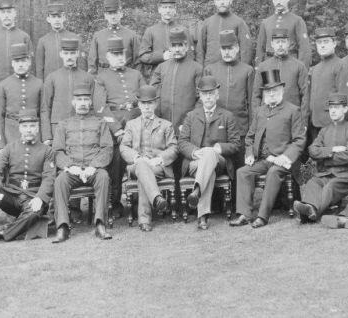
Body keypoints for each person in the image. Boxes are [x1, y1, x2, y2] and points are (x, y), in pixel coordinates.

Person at [0, 110, 56, 250]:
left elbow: (49, 177)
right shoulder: (10, 148)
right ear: (20, 128)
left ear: (38, 128)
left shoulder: (47, 150)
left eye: (32, 126)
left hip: (32, 198)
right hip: (11, 196)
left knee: (35, 212)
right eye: (25, 126)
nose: (29, 130)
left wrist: (40, 197)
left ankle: (4, 233)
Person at [231, 70, 306, 228]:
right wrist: (250, 153)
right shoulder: (260, 111)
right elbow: (250, 137)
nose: (271, 94)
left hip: (283, 161)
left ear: (282, 90)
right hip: (263, 159)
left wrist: (284, 157)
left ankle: (263, 216)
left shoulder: (293, 110)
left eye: (275, 90)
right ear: (264, 93)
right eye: (268, 91)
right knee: (242, 172)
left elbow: (299, 140)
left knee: (273, 172)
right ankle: (244, 214)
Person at [51, 82, 114, 243]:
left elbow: (107, 148)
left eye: (86, 100)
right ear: (73, 102)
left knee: (104, 177)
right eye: (79, 100)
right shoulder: (63, 124)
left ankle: (100, 224)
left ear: (91, 102)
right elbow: (57, 150)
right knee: (60, 180)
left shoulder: (100, 123)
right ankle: (63, 226)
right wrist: (71, 167)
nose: (83, 103)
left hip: (94, 169)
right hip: (73, 170)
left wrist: (94, 166)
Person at [178, 76, 242, 230]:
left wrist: (219, 148)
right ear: (200, 96)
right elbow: (182, 142)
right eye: (204, 93)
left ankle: (197, 193)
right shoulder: (191, 116)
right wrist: (195, 152)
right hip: (195, 162)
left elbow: (236, 144)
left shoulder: (227, 116)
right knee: (208, 169)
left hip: (219, 161)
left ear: (217, 95)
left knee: (209, 153)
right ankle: (202, 215)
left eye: (211, 93)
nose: (208, 97)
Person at [94, 36, 145, 218]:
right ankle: (115, 204)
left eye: (122, 54)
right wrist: (117, 129)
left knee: (140, 162)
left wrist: (135, 125)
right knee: (115, 168)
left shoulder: (136, 75)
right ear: (108, 57)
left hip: (136, 125)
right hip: (113, 128)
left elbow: (145, 99)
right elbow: (101, 106)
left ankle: (141, 202)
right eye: (115, 55)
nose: (119, 57)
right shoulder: (101, 78)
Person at [119, 85, 178, 232]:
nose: (146, 107)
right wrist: (137, 157)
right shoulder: (131, 125)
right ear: (138, 105)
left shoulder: (165, 125)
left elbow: (174, 148)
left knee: (143, 173)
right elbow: (124, 147)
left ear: (155, 104)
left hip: (157, 166)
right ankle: (157, 198)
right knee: (141, 166)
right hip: (137, 164)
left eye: (150, 103)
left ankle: (144, 219)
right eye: (143, 103)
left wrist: (159, 159)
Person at [293, 93, 348, 222]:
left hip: (344, 176)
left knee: (330, 187)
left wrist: (323, 157)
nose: (333, 110)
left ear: (345, 109)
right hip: (324, 174)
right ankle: (309, 208)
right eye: (331, 107)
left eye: (337, 107)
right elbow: (312, 150)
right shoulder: (324, 131)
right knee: (313, 183)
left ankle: (309, 214)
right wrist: (332, 150)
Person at [202, 29, 255, 168]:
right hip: (216, 130)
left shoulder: (247, 70)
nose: (226, 52)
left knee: (239, 170)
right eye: (223, 48)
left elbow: (252, 102)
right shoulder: (210, 70)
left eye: (230, 48)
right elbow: (204, 101)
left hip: (240, 129)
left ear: (237, 48)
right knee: (215, 168)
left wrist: (251, 129)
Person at [40, 37, 94, 145]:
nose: (69, 57)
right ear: (61, 54)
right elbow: (45, 108)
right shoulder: (52, 78)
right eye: (66, 53)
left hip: (81, 127)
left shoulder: (87, 77)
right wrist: (47, 135)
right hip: (57, 127)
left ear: (78, 53)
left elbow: (92, 107)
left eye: (72, 53)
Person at [150, 27, 203, 132]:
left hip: (186, 124)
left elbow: (201, 99)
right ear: (170, 47)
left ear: (186, 46)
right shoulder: (161, 67)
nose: (177, 49)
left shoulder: (197, 68)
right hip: (162, 124)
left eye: (180, 45)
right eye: (174, 46)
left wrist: (191, 121)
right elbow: (153, 95)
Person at [252, 27, 309, 123]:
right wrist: (257, 119)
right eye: (277, 42)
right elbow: (256, 96)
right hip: (268, 118)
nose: (280, 45)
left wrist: (303, 121)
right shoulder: (263, 66)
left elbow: (305, 96)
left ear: (288, 43)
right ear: (272, 44)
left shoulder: (299, 66)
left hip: (292, 119)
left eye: (283, 41)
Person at [0, 43, 43, 147]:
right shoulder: (4, 85)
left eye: (23, 61)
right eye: (17, 61)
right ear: (12, 63)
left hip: (33, 131)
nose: (20, 64)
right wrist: (0, 142)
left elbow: (44, 112)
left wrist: (45, 137)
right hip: (11, 131)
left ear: (29, 62)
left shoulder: (39, 83)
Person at [0, 0, 32, 96]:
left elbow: (30, 65)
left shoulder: (24, 37)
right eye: (3, 12)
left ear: (15, 13)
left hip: (19, 84)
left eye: (9, 12)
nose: (6, 15)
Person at [255, 0, 311, 68]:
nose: (278, 2)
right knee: (271, 82)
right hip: (270, 65)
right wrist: (259, 68)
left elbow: (304, 50)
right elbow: (260, 49)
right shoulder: (266, 23)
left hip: (291, 65)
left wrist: (301, 71)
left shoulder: (297, 21)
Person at [195, 0, 253, 67]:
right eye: (218, 0)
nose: (222, 2)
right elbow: (200, 50)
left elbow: (246, 51)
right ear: (214, 2)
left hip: (233, 70)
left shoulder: (239, 22)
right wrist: (201, 70)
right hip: (211, 70)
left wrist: (242, 71)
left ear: (230, 0)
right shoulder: (207, 23)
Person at [138, 0, 192, 80]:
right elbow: (143, 56)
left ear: (175, 10)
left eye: (170, 7)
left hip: (181, 75)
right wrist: (162, 56)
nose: (167, 10)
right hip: (158, 76)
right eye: (164, 7)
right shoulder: (151, 31)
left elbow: (190, 55)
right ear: (159, 9)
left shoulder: (184, 30)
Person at [87, 0, 140, 75]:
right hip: (104, 77)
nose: (113, 16)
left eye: (115, 13)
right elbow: (92, 63)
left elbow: (138, 62)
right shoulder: (98, 36)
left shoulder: (131, 35)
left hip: (126, 76)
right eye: (110, 13)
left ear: (121, 14)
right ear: (105, 15)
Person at [307, 27, 344, 139]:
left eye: (326, 42)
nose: (322, 45)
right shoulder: (316, 68)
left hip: (331, 122)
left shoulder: (340, 65)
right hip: (315, 122)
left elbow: (344, 97)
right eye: (319, 42)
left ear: (334, 43)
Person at [35, 1, 86, 80]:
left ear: (64, 17)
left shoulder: (75, 38)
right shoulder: (43, 41)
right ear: (48, 19)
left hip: (71, 80)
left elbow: (82, 65)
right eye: (53, 17)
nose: (57, 20)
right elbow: (39, 68)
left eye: (59, 17)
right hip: (50, 83)